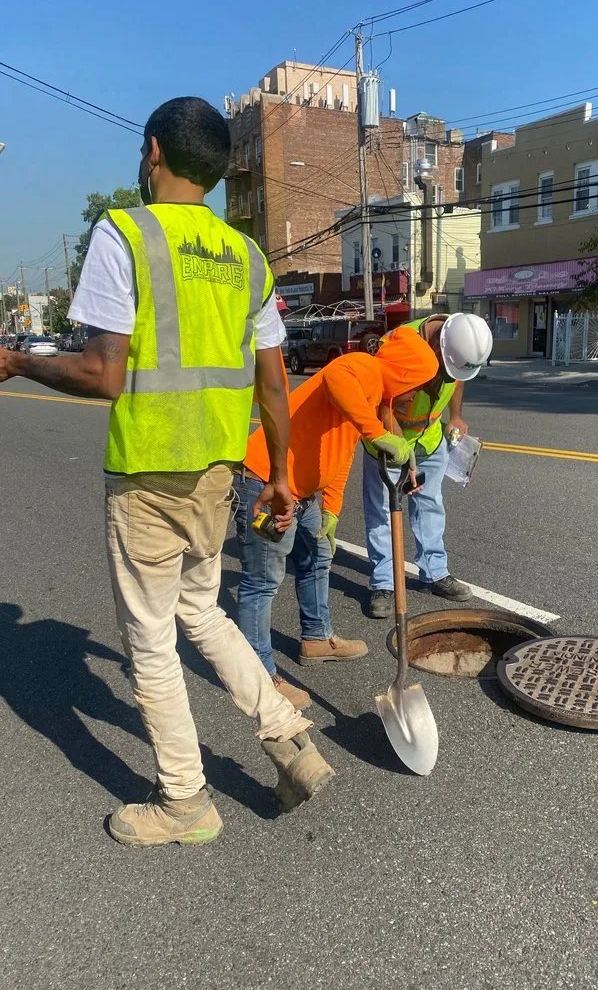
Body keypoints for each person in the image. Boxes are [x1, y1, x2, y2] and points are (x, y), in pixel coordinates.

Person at [0, 96, 334, 848]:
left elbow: (102, 372)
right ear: (216, 172)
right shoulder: (246, 255)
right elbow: (275, 383)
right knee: (201, 612)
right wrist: (279, 475)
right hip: (219, 473)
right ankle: (287, 736)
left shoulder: (125, 232)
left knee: (151, 638)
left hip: (150, 474)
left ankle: (184, 799)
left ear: (152, 152)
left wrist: (19, 361)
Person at [235, 327, 439, 710]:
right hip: (266, 480)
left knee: (317, 560)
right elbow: (335, 376)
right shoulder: (361, 368)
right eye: (416, 386)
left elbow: (340, 456)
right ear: (405, 373)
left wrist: (331, 510)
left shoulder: (371, 397)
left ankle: (316, 638)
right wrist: (377, 433)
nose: (413, 397)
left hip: (304, 491)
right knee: (261, 583)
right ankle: (258, 679)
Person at [362, 313, 493, 618]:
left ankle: (435, 572)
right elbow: (380, 401)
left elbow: (456, 377)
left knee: (431, 504)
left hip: (429, 439)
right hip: (387, 439)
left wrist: (456, 416)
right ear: (437, 345)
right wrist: (399, 451)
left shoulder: (457, 345)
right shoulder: (395, 346)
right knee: (382, 510)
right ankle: (384, 581)